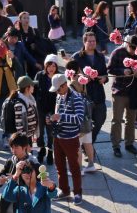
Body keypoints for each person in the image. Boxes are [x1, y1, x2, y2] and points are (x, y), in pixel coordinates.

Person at [48, 73, 85, 204]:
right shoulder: (59, 96)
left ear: (64, 85)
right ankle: (64, 190)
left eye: (58, 89)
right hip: (58, 137)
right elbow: (58, 115)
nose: (57, 91)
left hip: (71, 138)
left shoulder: (76, 98)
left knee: (74, 167)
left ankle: (77, 193)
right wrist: (52, 120)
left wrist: (61, 116)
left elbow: (79, 119)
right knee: (59, 166)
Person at [70, 31, 108, 145]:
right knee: (85, 123)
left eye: (94, 41)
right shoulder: (77, 57)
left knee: (100, 120)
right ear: (84, 42)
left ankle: (90, 142)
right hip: (84, 95)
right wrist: (82, 77)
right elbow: (70, 75)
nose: (92, 43)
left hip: (99, 94)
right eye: (89, 41)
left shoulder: (100, 56)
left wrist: (104, 79)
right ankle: (86, 146)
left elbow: (105, 74)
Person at [108, 34, 137, 157]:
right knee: (117, 120)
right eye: (132, 48)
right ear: (127, 44)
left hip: (134, 91)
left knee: (131, 120)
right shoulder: (118, 53)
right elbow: (110, 69)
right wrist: (122, 71)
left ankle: (129, 143)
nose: (134, 52)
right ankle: (116, 146)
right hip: (119, 91)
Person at [0, 38, 24, 148]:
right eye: (0, 48)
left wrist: (14, 58)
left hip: (9, 93)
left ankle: (6, 137)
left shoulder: (10, 60)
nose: (2, 50)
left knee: (7, 117)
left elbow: (20, 71)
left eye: (4, 47)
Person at [0, 133, 41, 213]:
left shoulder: (33, 163)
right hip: (8, 204)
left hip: (25, 204)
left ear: (25, 147)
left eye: (16, 147)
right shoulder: (10, 161)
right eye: (12, 147)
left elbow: (39, 186)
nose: (13, 150)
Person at [34, 55, 60, 165]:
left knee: (51, 132)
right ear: (45, 65)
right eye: (49, 65)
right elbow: (34, 91)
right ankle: (41, 149)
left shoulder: (59, 77)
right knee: (39, 130)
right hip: (40, 107)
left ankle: (50, 150)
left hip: (53, 108)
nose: (51, 68)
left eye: (54, 65)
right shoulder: (40, 75)